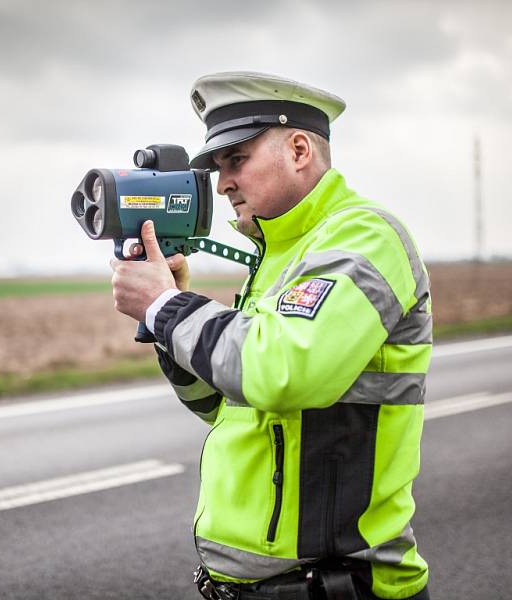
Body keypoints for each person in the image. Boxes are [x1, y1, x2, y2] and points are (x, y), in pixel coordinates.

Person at [110, 72, 431, 600]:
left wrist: (167, 306)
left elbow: (282, 373)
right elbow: (225, 403)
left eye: (236, 161)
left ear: (299, 149)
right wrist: (165, 326)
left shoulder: (364, 237)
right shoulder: (279, 255)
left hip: (340, 588)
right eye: (217, 168)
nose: (222, 183)